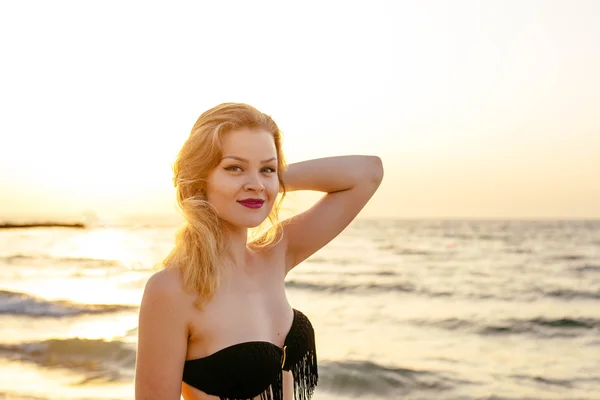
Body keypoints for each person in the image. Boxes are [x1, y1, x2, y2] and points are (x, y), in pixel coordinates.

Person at [134, 103, 384, 400]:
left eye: (267, 168)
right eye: (234, 168)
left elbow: (368, 173)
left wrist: (272, 181)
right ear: (201, 178)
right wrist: (262, 178)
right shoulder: (172, 289)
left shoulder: (276, 253)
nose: (254, 184)